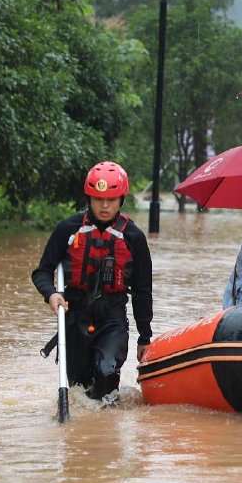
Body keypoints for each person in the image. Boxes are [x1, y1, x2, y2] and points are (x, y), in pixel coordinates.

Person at [32, 161, 153, 407]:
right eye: (98, 199)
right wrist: (51, 294)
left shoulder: (134, 238)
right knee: (78, 386)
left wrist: (145, 337)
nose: (105, 206)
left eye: (111, 199)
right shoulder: (68, 229)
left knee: (106, 372)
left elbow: (143, 291)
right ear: (89, 198)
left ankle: (106, 434)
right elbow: (42, 272)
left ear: (121, 199)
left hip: (112, 317)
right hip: (75, 317)